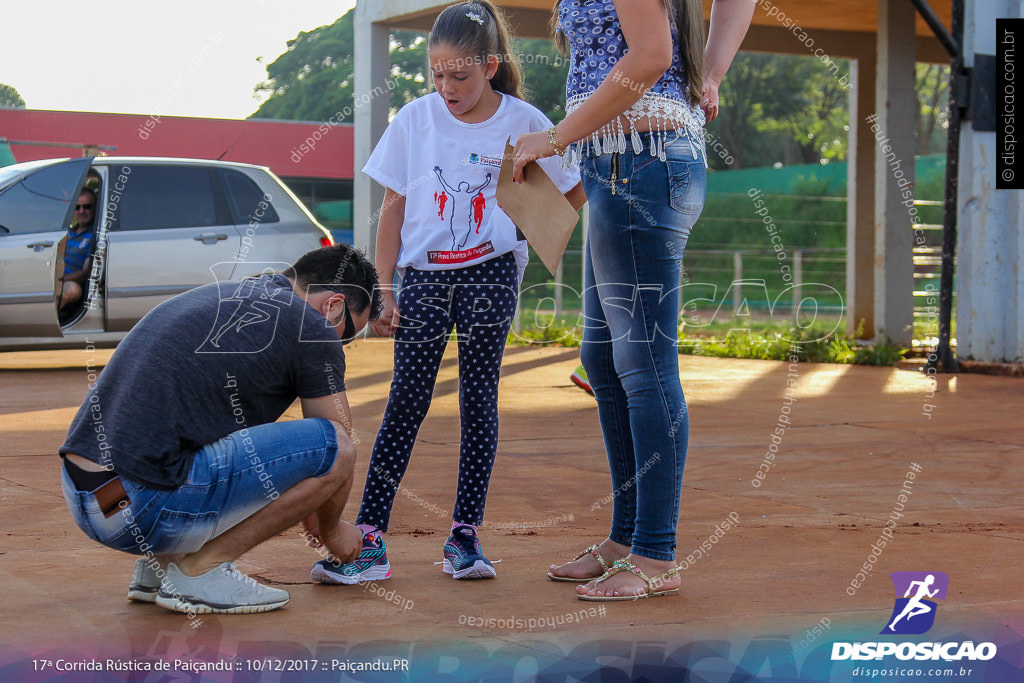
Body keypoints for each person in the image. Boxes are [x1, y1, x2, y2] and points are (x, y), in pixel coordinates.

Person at [312, 0, 585, 585]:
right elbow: (393, 210)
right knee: (405, 400)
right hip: (424, 279)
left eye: (459, 75)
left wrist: (519, 232)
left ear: (489, 66)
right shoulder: (414, 120)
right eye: (437, 74)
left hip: (489, 274)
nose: (446, 86)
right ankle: (370, 538)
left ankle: (464, 537)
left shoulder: (523, 121)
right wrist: (386, 290)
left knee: (479, 400)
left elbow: (572, 191)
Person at [512, 0, 753, 600]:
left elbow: (650, 56)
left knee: (644, 366)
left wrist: (555, 135)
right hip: (618, 165)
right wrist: (712, 73)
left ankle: (655, 553)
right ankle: (626, 541)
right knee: (603, 359)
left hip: (640, 163)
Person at [59, 244, 381, 614]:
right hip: (141, 508)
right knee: (337, 447)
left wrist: (310, 494)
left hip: (89, 497)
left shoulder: (228, 294)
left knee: (216, 443)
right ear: (335, 305)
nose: (342, 344)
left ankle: (160, 567)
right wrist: (332, 531)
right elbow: (334, 448)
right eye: (349, 333)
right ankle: (198, 572)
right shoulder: (312, 327)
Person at [60, 188, 96, 309]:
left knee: (70, 289)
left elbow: (84, 274)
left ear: (94, 208)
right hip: (54, 278)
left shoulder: (94, 236)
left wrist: (60, 280)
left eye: (86, 206)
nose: (81, 211)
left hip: (71, 283)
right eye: (77, 207)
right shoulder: (66, 233)